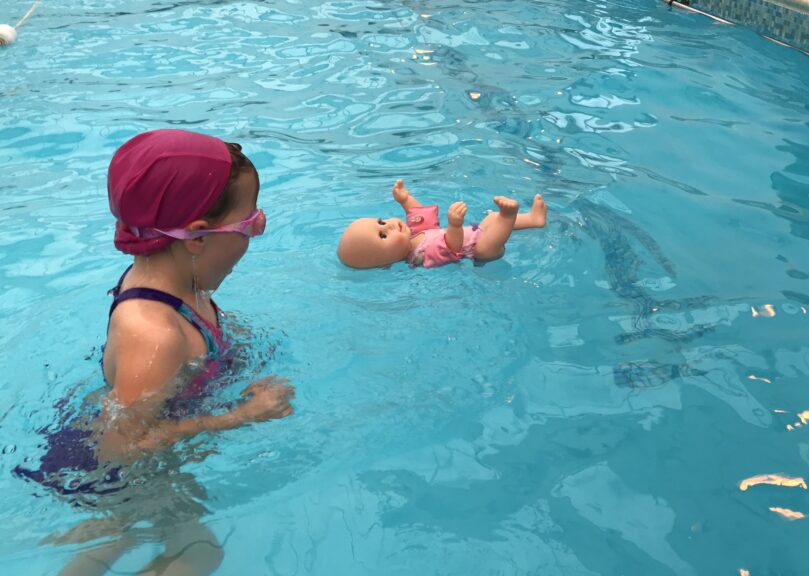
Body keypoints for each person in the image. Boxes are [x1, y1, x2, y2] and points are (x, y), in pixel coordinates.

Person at [17, 129, 294, 575]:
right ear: (198, 237)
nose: (254, 235)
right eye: (251, 224)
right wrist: (241, 416)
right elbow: (121, 446)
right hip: (110, 472)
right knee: (198, 553)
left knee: (116, 541)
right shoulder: (155, 334)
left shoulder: (178, 282)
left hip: (124, 444)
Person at [337, 179, 547, 269]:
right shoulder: (420, 256)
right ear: (385, 263)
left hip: (477, 232)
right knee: (485, 247)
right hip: (479, 253)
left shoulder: (412, 238)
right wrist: (454, 226)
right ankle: (509, 216)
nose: (389, 226)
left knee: (491, 219)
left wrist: (405, 199)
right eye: (383, 235)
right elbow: (452, 248)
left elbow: (419, 216)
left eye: (381, 222)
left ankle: (533, 220)